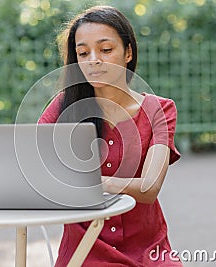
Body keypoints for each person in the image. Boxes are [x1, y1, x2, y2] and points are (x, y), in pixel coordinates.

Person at [38, 5, 182, 266]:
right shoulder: (62, 107)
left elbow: (148, 189)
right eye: (83, 53)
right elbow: (34, 168)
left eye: (106, 50)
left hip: (148, 251)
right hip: (84, 252)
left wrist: (92, 183)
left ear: (128, 52)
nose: (94, 60)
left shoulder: (159, 109)